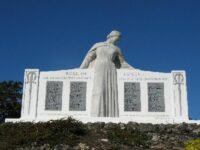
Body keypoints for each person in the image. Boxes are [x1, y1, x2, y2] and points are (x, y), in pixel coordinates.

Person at [80, 30, 134, 117]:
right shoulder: (98, 45)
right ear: (111, 36)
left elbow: (122, 63)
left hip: (111, 68)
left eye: (119, 39)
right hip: (99, 68)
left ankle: (110, 114)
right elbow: (88, 58)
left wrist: (134, 70)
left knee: (110, 90)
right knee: (99, 90)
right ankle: (96, 114)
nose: (117, 40)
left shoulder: (116, 49)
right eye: (117, 38)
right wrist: (81, 69)